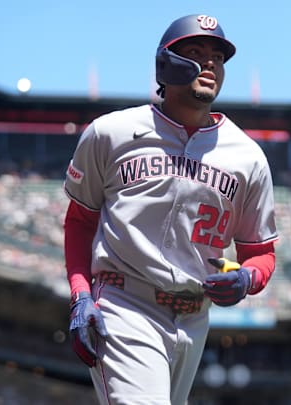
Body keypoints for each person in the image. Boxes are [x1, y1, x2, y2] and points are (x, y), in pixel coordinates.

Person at [62, 13, 279, 405]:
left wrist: (247, 279)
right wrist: (81, 295)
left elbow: (261, 253)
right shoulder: (112, 133)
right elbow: (80, 221)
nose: (210, 63)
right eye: (195, 52)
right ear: (165, 64)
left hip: (195, 318)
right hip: (126, 303)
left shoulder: (247, 157)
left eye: (218, 55)